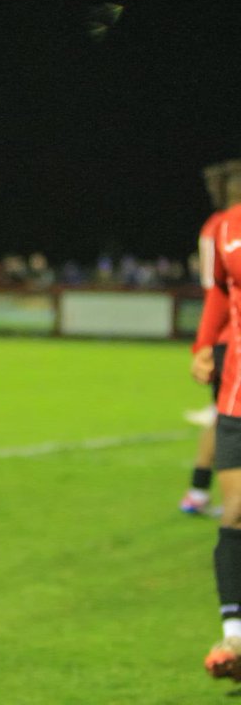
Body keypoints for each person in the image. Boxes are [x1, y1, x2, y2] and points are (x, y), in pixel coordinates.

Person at [194, 160, 241, 681]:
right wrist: (204, 344)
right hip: (237, 394)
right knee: (237, 513)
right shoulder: (226, 230)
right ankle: (235, 638)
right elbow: (221, 293)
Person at [182, 162, 234, 516]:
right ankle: (201, 494)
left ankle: (198, 491)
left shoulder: (214, 226)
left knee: (224, 417)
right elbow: (216, 288)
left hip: (221, 338)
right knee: (227, 419)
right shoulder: (223, 227)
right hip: (231, 339)